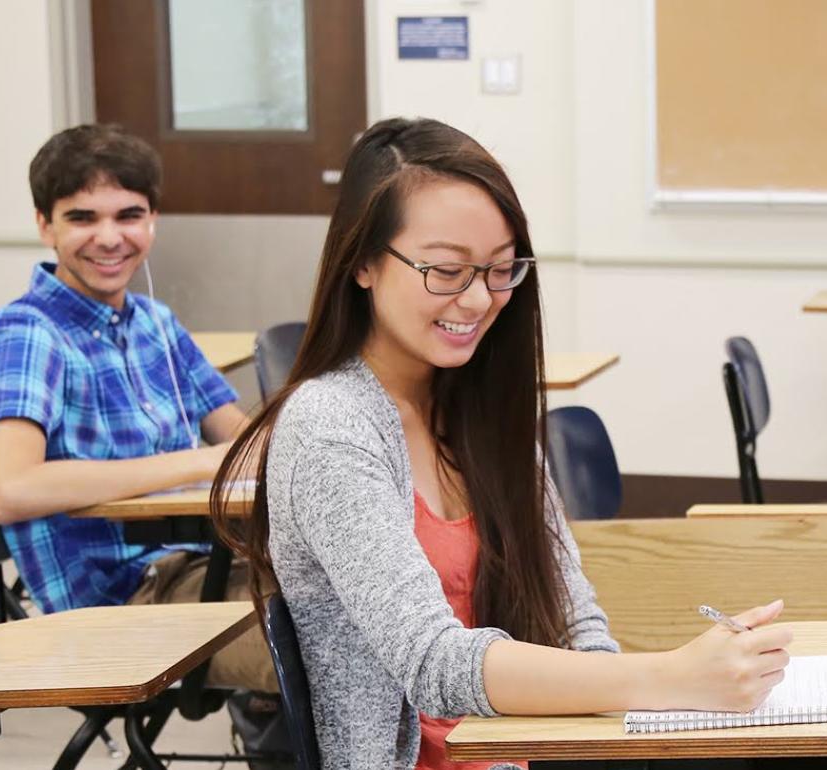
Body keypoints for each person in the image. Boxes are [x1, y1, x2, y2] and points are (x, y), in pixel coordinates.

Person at [211, 117, 794, 770]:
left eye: (500, 269)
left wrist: (626, 724)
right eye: (446, 270)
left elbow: (574, 616)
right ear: (365, 263)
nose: (480, 299)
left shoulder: (478, 409)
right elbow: (434, 663)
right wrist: (669, 678)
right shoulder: (330, 426)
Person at [0, 124, 276, 695]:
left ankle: (272, 742)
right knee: (346, 645)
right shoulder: (26, 335)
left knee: (393, 595)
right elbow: (13, 490)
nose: (109, 237)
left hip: (205, 562)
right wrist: (201, 464)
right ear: (43, 225)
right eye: (82, 218)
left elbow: (245, 440)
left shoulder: (154, 322)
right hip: (120, 603)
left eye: (129, 215)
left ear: (152, 221)